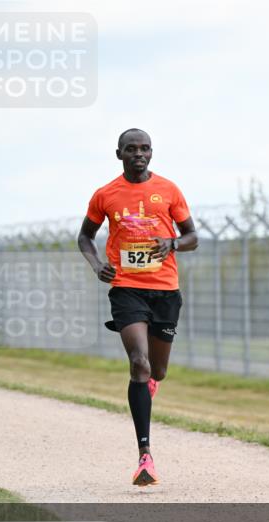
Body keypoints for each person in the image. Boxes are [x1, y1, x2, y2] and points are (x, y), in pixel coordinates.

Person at [78, 128, 198, 486]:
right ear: (119, 154)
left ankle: (151, 383)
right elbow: (84, 236)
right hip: (126, 289)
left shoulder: (170, 189)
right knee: (138, 363)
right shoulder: (106, 195)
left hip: (165, 290)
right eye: (131, 149)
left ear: (151, 153)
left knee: (157, 371)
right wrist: (97, 264)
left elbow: (193, 237)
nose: (139, 154)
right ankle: (145, 456)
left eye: (145, 148)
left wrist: (172, 243)